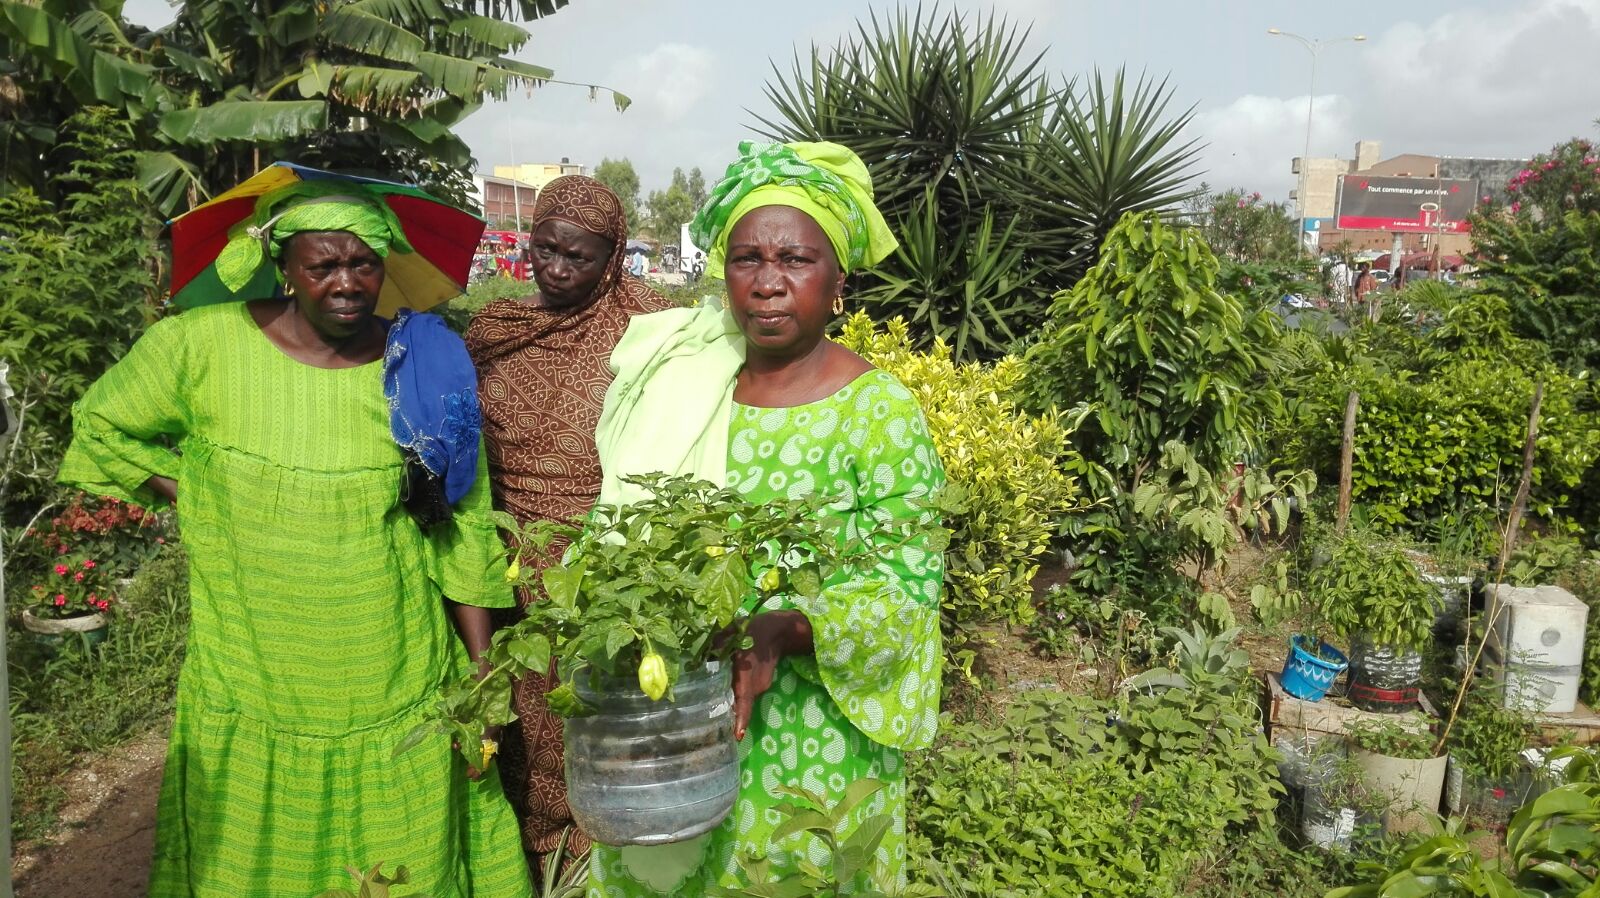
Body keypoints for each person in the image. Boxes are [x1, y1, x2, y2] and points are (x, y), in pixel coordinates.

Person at [57, 181, 531, 898]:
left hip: (392, 664)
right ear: (285, 268)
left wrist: (480, 667)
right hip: (253, 667)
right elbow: (101, 423)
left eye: (364, 264)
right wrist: (191, 489)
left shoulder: (423, 366)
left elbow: (461, 520)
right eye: (323, 266)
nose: (348, 283)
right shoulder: (200, 347)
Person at [586, 140, 946, 895]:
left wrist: (786, 629)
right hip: (677, 724)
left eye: (796, 259)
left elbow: (908, 592)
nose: (769, 283)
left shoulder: (877, 414)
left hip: (812, 730)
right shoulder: (689, 388)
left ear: (839, 280)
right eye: (748, 259)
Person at [463, 175, 674, 873]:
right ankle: (523, 856)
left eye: (576, 257)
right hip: (506, 554)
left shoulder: (647, 330)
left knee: (591, 714)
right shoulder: (498, 330)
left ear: (611, 259)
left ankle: (596, 857)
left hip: (598, 561)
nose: (554, 268)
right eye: (543, 248)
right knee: (516, 712)